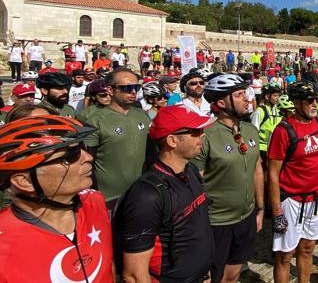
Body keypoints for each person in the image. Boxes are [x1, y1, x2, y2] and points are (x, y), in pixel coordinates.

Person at [0, 115, 114, 282]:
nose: (88, 157)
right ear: (24, 181)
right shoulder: (4, 248)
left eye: (82, 147)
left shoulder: (94, 201)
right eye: (70, 156)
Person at [115, 105, 216, 282]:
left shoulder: (190, 170)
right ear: (172, 141)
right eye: (195, 131)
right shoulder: (147, 195)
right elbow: (133, 275)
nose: (202, 135)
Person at [193, 74, 264, 283]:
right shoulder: (205, 135)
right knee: (213, 277)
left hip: (247, 217)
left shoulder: (250, 129)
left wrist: (261, 209)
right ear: (222, 102)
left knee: (233, 275)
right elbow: (195, 181)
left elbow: (256, 169)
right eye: (240, 94)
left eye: (246, 93)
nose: (247, 99)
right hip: (216, 222)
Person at [268, 82, 318, 283]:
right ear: (296, 102)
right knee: (285, 256)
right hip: (291, 200)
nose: (315, 104)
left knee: (308, 247)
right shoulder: (283, 130)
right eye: (310, 100)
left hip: (316, 198)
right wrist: (276, 212)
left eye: (316, 100)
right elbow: (273, 173)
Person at [84, 68, 153, 209]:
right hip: (109, 199)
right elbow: (87, 161)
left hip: (140, 193)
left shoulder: (142, 115)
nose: (133, 92)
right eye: (127, 88)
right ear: (110, 90)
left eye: (136, 87)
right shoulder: (94, 120)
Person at [254, 83, 282, 162]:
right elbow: (253, 133)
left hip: (275, 147)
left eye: (278, 95)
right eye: (275, 96)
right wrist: (256, 153)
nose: (278, 98)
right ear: (267, 97)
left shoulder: (277, 109)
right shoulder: (260, 111)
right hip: (263, 149)